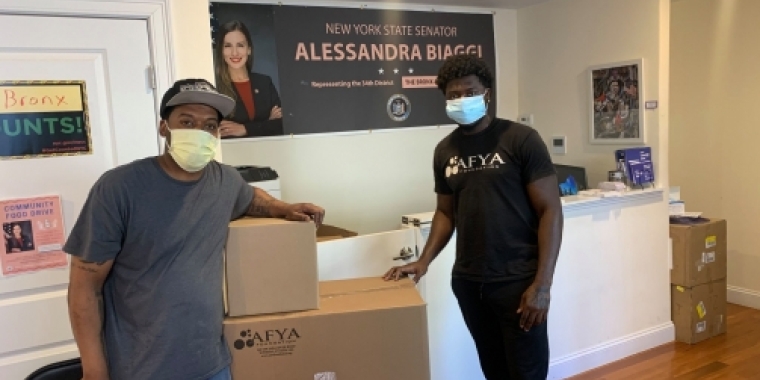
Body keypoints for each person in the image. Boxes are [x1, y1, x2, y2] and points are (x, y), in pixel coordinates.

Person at [65, 78, 325, 380]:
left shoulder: (224, 181)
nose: (199, 133)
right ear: (165, 127)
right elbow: (85, 288)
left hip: (211, 366)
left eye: (209, 126)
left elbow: (252, 197)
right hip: (139, 369)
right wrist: (94, 371)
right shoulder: (118, 188)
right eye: (187, 122)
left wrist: (284, 207)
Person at [384, 54, 564, 380]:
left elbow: (550, 210)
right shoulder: (445, 150)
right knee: (494, 370)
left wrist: (542, 284)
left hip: (518, 282)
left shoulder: (520, 139)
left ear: (487, 93)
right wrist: (423, 262)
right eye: (452, 95)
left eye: (469, 91)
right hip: (469, 282)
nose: (461, 100)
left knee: (526, 373)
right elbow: (444, 212)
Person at [214, 20, 283, 139]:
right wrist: (266, 123)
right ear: (221, 50)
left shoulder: (264, 82)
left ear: (249, 49)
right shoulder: (214, 87)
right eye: (228, 46)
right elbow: (223, 132)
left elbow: (280, 125)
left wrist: (244, 129)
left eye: (240, 45)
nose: (234, 52)